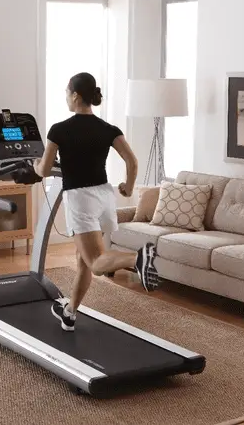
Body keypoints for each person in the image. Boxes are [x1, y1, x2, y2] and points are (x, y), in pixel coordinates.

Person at [34, 72, 157, 332]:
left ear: (75, 95)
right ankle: (70, 313)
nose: (66, 98)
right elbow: (132, 161)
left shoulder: (59, 129)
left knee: (96, 263)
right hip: (104, 195)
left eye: (67, 93)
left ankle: (137, 258)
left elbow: (44, 171)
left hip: (81, 198)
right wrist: (128, 187)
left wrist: (34, 165)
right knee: (83, 261)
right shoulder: (108, 129)